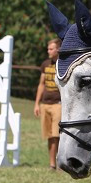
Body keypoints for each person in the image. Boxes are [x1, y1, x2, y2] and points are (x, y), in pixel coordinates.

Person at [33, 38, 62, 170]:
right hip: (45, 104)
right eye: (48, 48)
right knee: (50, 136)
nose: (48, 51)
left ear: (58, 50)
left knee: (57, 135)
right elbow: (41, 84)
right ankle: (52, 164)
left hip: (59, 104)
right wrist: (37, 104)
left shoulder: (63, 64)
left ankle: (61, 162)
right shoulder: (45, 64)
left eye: (51, 49)